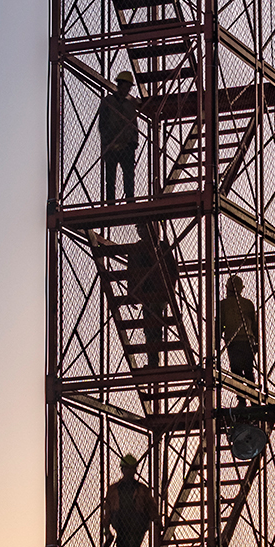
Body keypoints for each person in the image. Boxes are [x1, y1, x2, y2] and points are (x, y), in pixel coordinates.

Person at [126, 223, 178, 369]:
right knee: (149, 328)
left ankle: (154, 361)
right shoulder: (138, 248)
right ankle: (153, 361)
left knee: (153, 326)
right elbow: (131, 271)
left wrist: (169, 292)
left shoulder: (162, 247)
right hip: (146, 294)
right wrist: (132, 293)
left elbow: (173, 271)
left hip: (158, 293)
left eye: (142, 228)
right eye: (139, 228)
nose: (140, 231)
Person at [98, 71, 138, 203]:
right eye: (125, 86)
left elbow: (134, 125)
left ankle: (130, 200)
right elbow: (102, 123)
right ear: (119, 85)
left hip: (126, 146)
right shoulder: (108, 101)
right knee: (110, 178)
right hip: (111, 145)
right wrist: (106, 141)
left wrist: (133, 142)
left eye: (129, 87)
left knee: (128, 176)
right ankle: (110, 202)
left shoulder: (130, 104)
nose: (127, 90)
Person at [220, 275, 257, 405]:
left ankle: (241, 401)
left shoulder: (223, 305)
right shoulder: (248, 304)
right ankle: (254, 400)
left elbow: (220, 324)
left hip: (233, 341)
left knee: (236, 371)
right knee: (248, 371)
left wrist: (215, 342)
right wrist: (256, 343)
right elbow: (255, 326)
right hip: (247, 340)